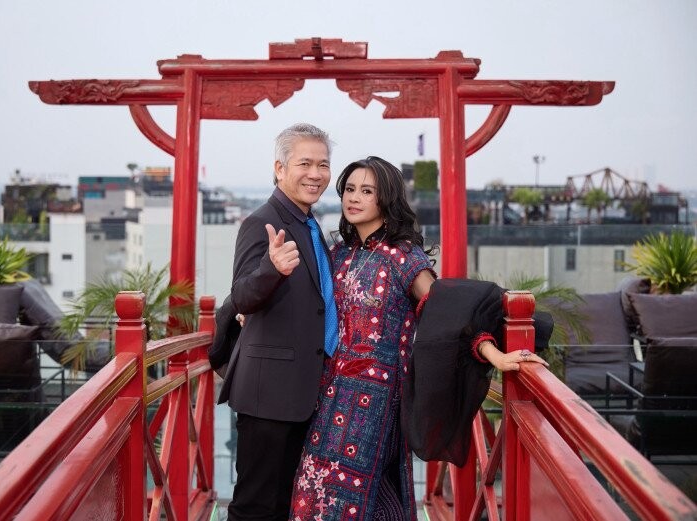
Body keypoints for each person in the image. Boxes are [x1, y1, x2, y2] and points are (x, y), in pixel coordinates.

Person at [288, 157, 547, 521]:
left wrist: (493, 354)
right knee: (313, 486)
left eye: (367, 191)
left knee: (350, 493)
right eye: (350, 189)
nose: (354, 198)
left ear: (386, 199)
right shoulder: (340, 255)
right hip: (329, 391)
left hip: (376, 398)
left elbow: (445, 312)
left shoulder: (402, 257)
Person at [218, 123, 338, 521]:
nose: (316, 174)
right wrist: (271, 269)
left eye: (323, 164)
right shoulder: (262, 221)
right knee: (255, 505)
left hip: (302, 389)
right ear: (280, 168)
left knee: (286, 501)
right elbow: (241, 296)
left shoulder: (309, 223)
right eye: (305, 163)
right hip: (269, 391)